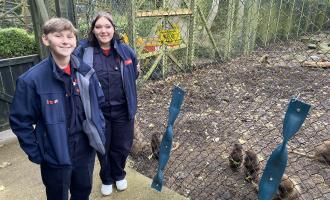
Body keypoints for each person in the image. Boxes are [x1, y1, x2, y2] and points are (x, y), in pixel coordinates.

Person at [9, 18, 106, 200]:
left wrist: (99, 133)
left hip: (84, 150)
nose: (65, 41)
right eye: (58, 36)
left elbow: (98, 105)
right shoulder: (31, 80)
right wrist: (38, 153)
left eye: (70, 36)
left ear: (75, 41)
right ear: (46, 40)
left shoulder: (86, 73)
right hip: (54, 154)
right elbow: (20, 121)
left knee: (83, 192)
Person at [74, 12, 139, 196]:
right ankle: (106, 178)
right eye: (99, 27)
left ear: (114, 29)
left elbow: (134, 74)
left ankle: (119, 174)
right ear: (93, 30)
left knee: (122, 145)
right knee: (102, 145)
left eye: (107, 26)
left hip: (123, 110)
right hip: (97, 111)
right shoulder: (83, 51)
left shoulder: (126, 51)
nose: (104, 30)